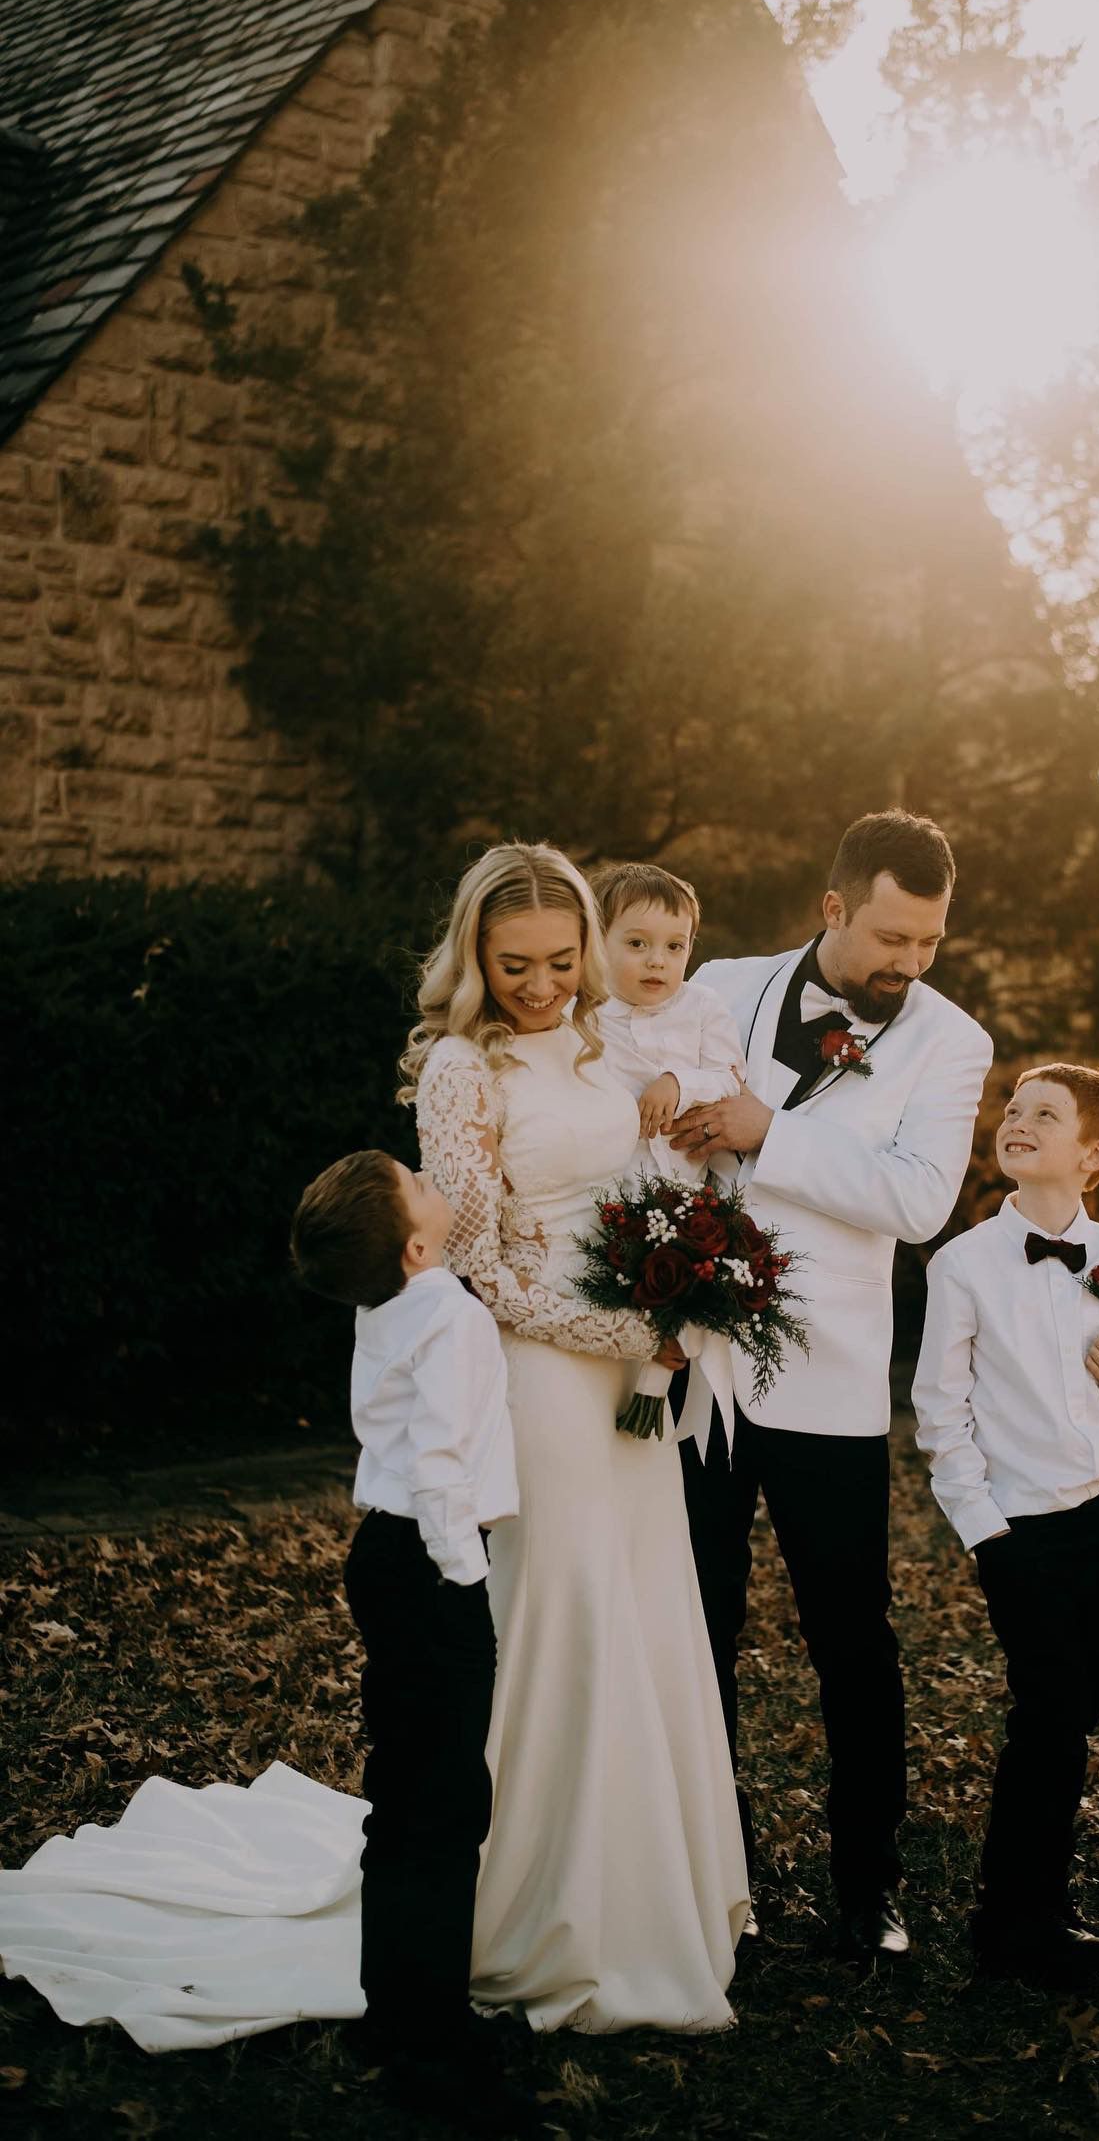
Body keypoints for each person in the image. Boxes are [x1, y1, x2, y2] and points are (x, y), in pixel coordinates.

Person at [405, 840, 749, 2032]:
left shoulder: (608, 1042)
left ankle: (652, 1895)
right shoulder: (458, 1068)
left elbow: (652, 1179)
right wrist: (614, 1329)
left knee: (650, 1597)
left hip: (634, 1362)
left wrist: (688, 1292)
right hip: (540, 1372)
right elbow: (469, 1261)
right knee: (564, 1603)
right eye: (514, 965)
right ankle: (528, 1902)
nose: (542, 987)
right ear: (474, 953)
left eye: (561, 961)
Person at [667, 810, 993, 1965]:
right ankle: (719, 1879)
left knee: (852, 1641)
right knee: (695, 1629)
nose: (909, 964)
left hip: (830, 1385)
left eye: (930, 943)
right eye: (891, 938)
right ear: (834, 906)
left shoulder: (954, 1045)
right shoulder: (721, 984)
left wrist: (765, 1136)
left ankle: (871, 1888)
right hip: (696, 1372)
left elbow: (918, 1204)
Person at [288, 1147, 533, 2132]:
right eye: (420, 1185)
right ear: (418, 1245)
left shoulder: (386, 1305)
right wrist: (466, 1578)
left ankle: (393, 2009)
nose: (434, 1181)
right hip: (430, 1563)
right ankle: (434, 2046)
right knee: (445, 1806)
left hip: (380, 1555)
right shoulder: (450, 1312)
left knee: (402, 1794)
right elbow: (438, 1460)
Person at [911, 1063, 1099, 1989]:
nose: (1016, 1123)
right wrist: (985, 1531)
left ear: (1093, 1154)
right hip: (1020, 1527)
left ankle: (1041, 1899)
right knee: (1048, 1714)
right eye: (1013, 1111)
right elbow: (940, 1413)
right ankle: (1011, 1922)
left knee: (1076, 1709)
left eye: (1043, 1115)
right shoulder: (963, 1263)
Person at [591, 861, 748, 1183]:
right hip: (604, 1190)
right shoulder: (582, 1016)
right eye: (637, 944)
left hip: (684, 1193)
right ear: (597, 942)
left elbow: (730, 1080)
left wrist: (679, 1084)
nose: (657, 961)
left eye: (675, 946)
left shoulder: (702, 1005)